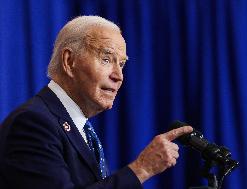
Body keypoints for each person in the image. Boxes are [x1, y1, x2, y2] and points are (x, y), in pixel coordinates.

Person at [0, 16, 193, 189]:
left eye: (122, 64)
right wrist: (141, 170)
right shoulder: (33, 123)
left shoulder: (81, 129)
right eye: (106, 59)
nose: (118, 76)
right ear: (69, 61)